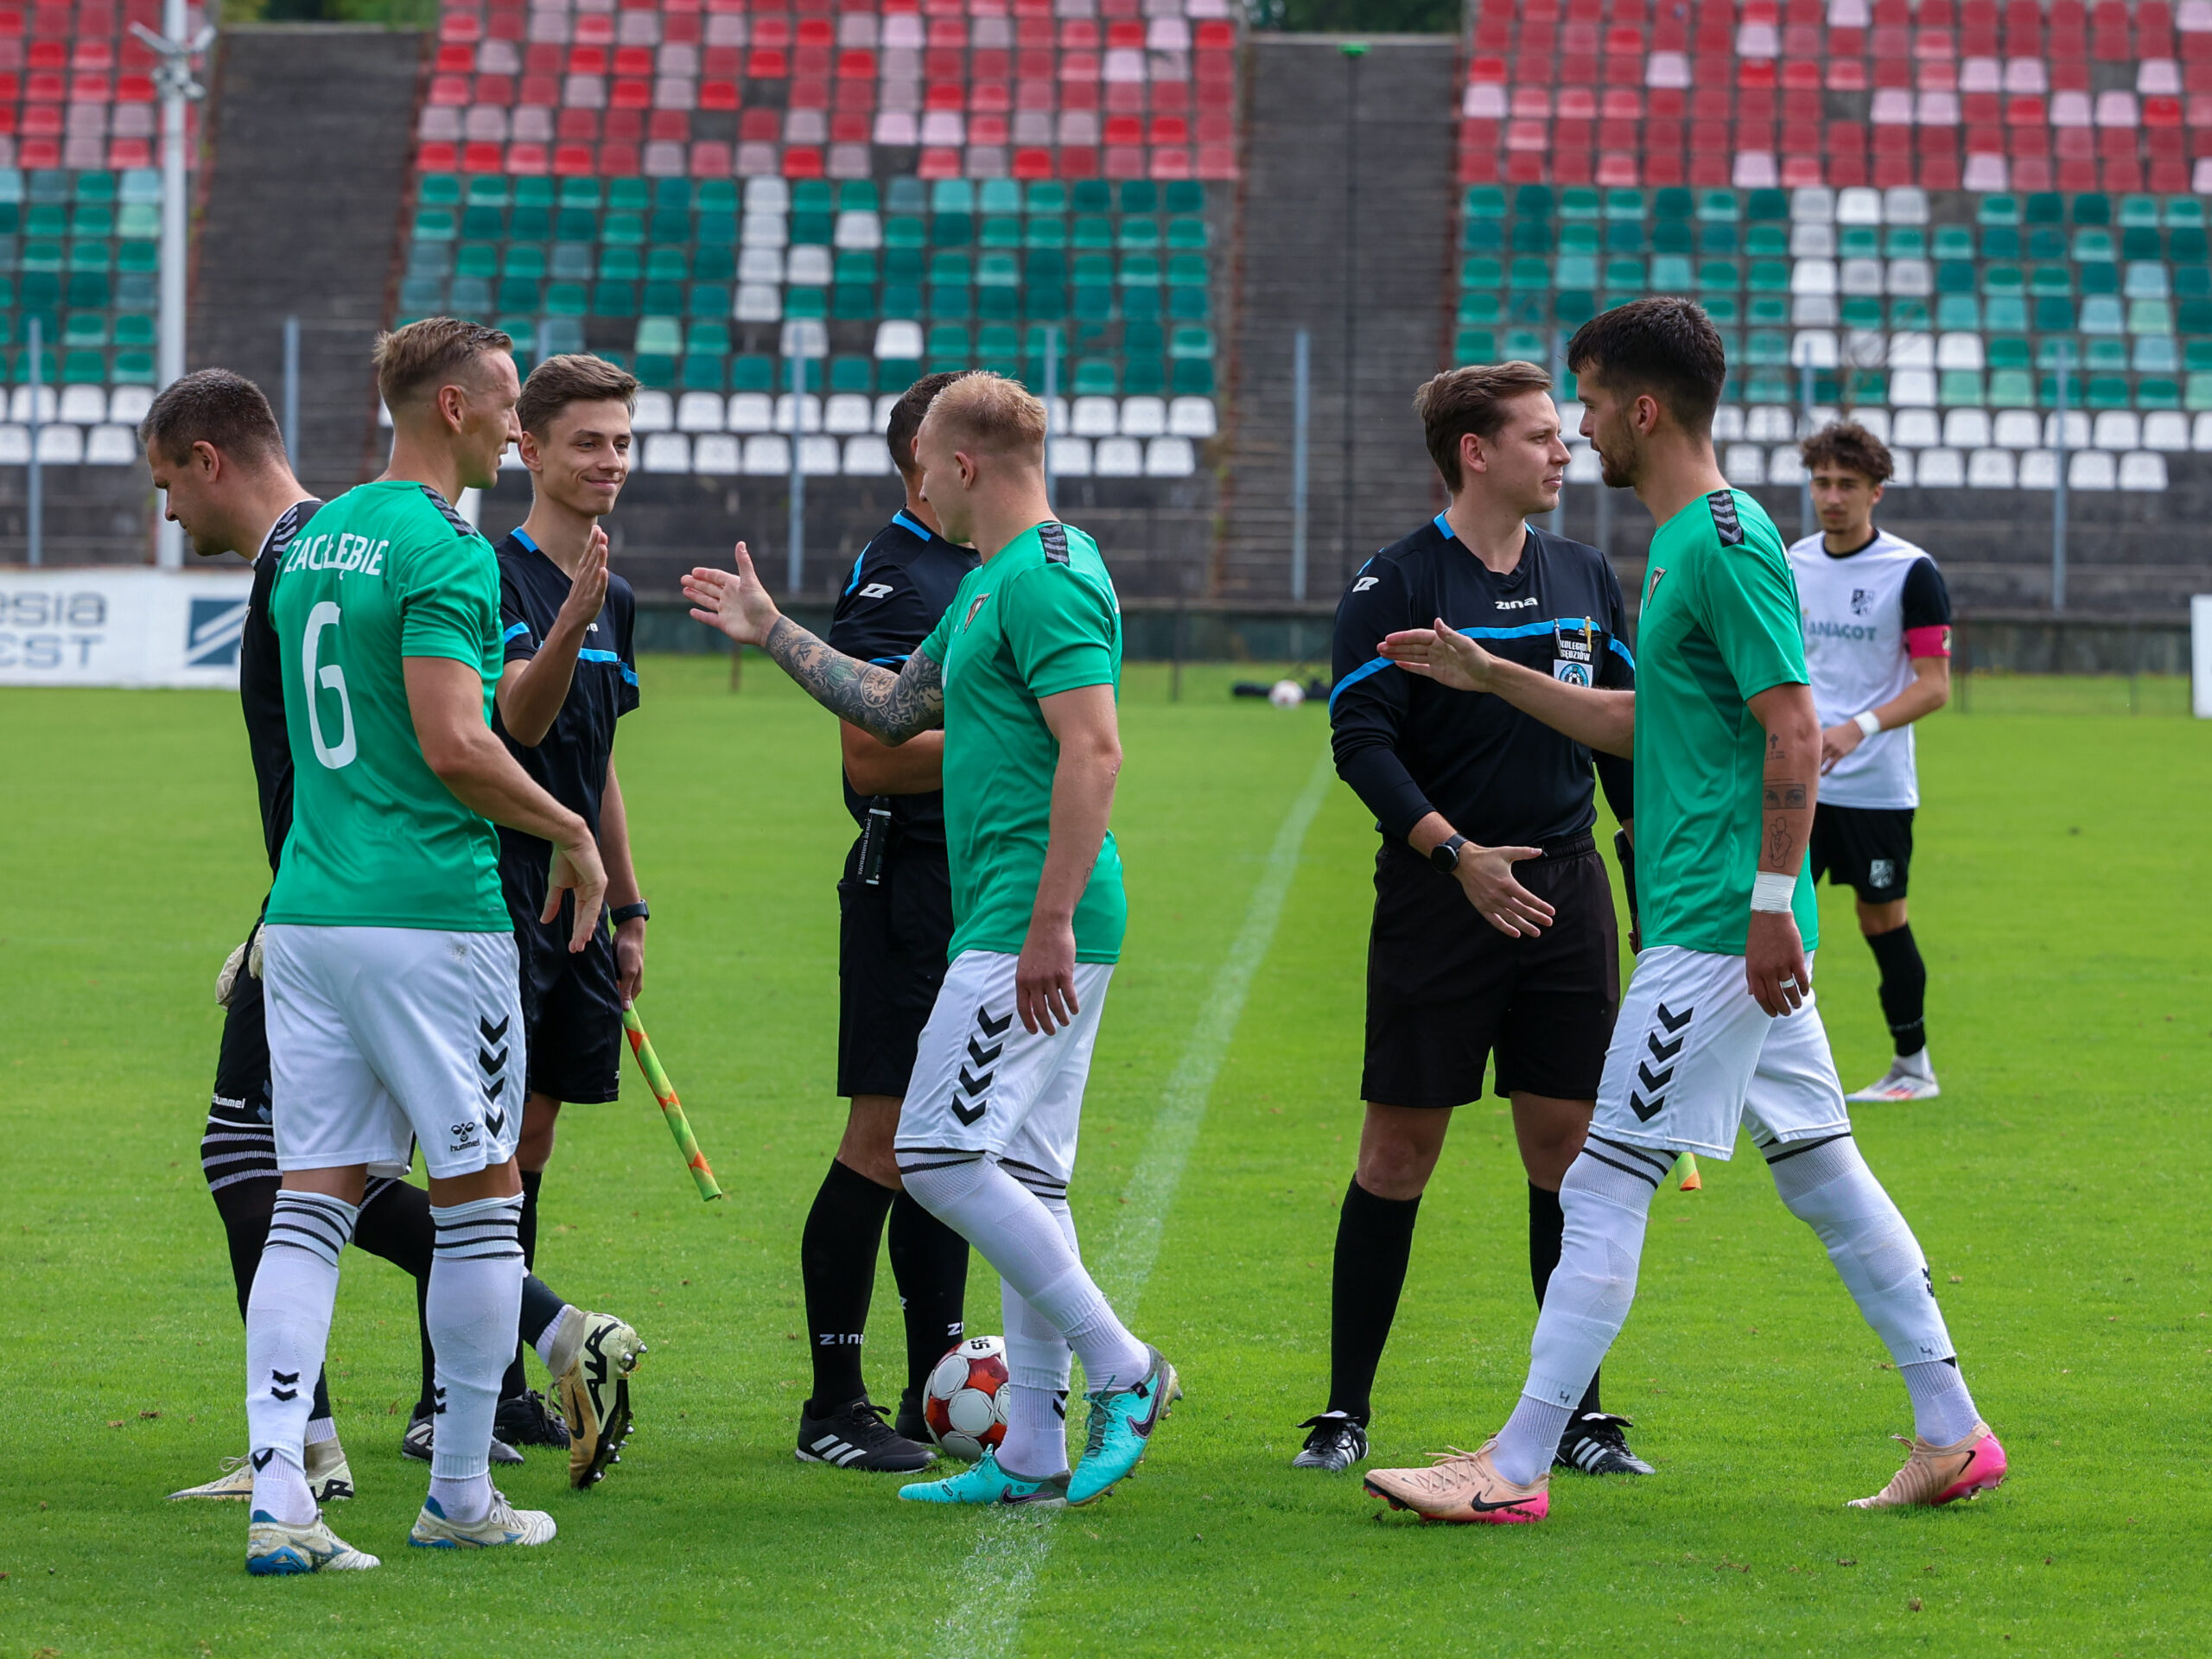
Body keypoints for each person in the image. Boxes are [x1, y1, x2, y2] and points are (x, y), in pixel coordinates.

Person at [1362, 298, 2003, 1524]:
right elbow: (1651, 724)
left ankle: (1514, 1467)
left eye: (1593, 402)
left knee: (1603, 1182)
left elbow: (1795, 729)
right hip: (1721, 920)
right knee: (1821, 1171)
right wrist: (1495, 677)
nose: (1582, 427)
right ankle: (1952, 1430)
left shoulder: (1722, 540)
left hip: (1716, 929)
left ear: (1644, 410)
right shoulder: (1682, 546)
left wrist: (1768, 906)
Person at [683, 372, 1178, 1510]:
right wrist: (771, 631)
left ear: (962, 464)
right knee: (1027, 1175)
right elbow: (892, 708)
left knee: (939, 1154)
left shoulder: (1046, 576)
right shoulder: (995, 578)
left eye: (925, 471)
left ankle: (1124, 1368)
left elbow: (1095, 750)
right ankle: (1032, 1451)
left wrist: (1048, 920)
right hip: (1007, 909)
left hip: (1029, 916)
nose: (920, 492)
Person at [238, 316, 613, 1574]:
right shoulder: (445, 547)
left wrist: (553, 648)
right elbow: (456, 744)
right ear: (452, 406)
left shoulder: (316, 537)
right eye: (507, 401)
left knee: (310, 1205)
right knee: (482, 1200)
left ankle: (280, 1503)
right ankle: (459, 1493)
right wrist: (569, 827)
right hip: (429, 919)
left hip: (309, 913)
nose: (517, 424)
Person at [1299, 361, 1648, 1480]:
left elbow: (1622, 742)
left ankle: (1579, 1418)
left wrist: (1649, 898)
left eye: (1561, 432)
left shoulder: (1585, 573)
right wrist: (1455, 855)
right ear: (1475, 451)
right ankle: (1343, 1413)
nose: (1564, 450)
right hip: (1438, 895)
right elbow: (1361, 744)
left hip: (1566, 895)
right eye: (1540, 435)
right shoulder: (1395, 582)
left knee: (1568, 1157)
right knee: (1398, 1153)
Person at [142, 368, 439, 1505]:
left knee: (253, 1161)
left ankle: (315, 1446)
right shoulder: (316, 555)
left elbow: (351, 766)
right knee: (333, 1175)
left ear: (209, 459)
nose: (169, 510)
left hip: (336, 908)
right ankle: (315, 1438)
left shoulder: (305, 563)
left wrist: (282, 919)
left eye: (169, 483)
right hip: (331, 902)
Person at [796, 371, 977, 1474]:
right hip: (908, 882)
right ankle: (832, 1404)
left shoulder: (983, 564)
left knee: (949, 1142)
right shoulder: (898, 573)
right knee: (884, 1139)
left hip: (975, 883)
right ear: (931, 458)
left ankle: (929, 1389)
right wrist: (1028, 745)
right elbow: (871, 755)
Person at [484, 352, 651, 1490]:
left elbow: (599, 766)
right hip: (500, 895)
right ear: (529, 448)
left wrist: (631, 906)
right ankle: (458, 1393)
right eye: (588, 441)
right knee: (483, 1152)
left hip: (582, 910)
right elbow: (518, 725)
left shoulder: (614, 595)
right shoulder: (491, 577)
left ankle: (501, 1378)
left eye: (622, 442)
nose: (610, 461)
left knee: (533, 1144)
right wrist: (569, 616)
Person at [1789, 421, 1953, 1103]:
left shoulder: (1911, 572)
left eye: (1847, 485)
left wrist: (1858, 728)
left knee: (1880, 921)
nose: (1832, 497)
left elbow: (1935, 686)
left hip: (1876, 788)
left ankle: (1912, 1067)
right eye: (1822, 483)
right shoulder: (1792, 563)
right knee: (1776, 916)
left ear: (1876, 492)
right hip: (1797, 780)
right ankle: (1773, 1073)